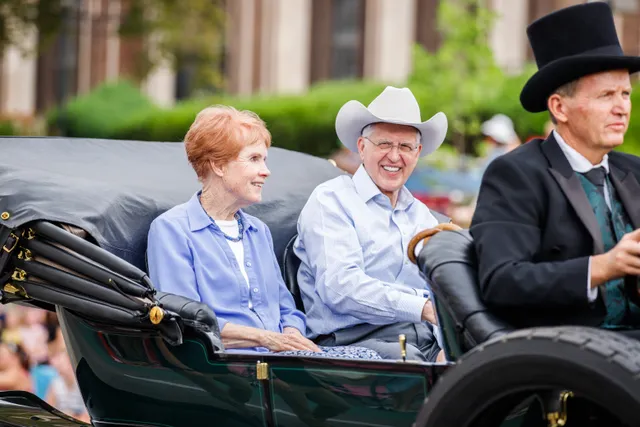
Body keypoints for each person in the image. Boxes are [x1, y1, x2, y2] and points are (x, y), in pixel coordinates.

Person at [147, 105, 380, 360]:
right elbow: (188, 323)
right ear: (218, 165)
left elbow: (286, 308)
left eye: (264, 160)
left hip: (281, 361)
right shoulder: (172, 229)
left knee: (376, 361)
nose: (266, 171)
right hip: (226, 369)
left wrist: (291, 335)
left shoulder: (258, 231)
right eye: (254, 159)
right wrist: (267, 339)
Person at [470, 2, 640, 333]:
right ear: (560, 108)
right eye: (606, 95)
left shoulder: (635, 170)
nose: (622, 108)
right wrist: (600, 268)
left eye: (625, 94)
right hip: (569, 359)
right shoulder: (516, 174)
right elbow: (501, 281)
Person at [294, 86, 449, 362]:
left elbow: (442, 286)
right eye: (384, 144)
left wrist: (447, 348)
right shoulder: (331, 200)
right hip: (351, 342)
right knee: (414, 365)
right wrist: (420, 306)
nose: (394, 156)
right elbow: (340, 288)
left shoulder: (421, 215)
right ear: (362, 148)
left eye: (405, 147)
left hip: (421, 338)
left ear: (418, 152)